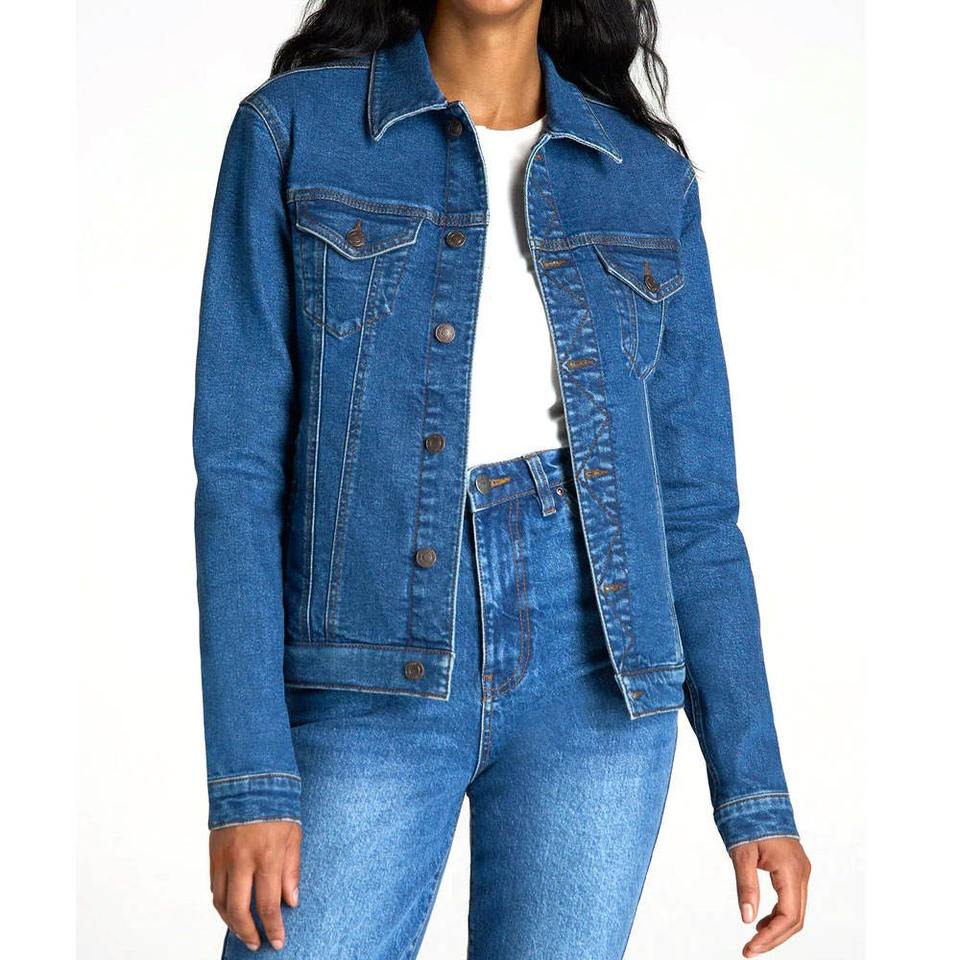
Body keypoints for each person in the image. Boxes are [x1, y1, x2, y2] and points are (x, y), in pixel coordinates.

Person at [193, 1, 811, 956]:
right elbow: (238, 474)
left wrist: (754, 786)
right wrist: (251, 778)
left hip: (597, 671)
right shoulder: (294, 132)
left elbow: (694, 510)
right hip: (366, 657)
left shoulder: (646, 179)